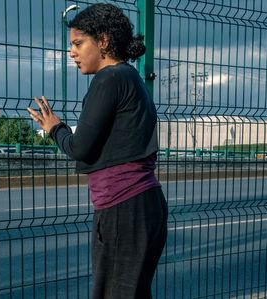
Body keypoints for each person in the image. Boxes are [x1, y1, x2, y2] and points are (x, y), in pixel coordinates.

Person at [27, 3, 168, 298]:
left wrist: (55, 127)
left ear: (103, 41)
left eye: (79, 43)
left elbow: (80, 148)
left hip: (123, 208)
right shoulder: (131, 78)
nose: (72, 53)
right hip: (142, 204)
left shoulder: (109, 80)